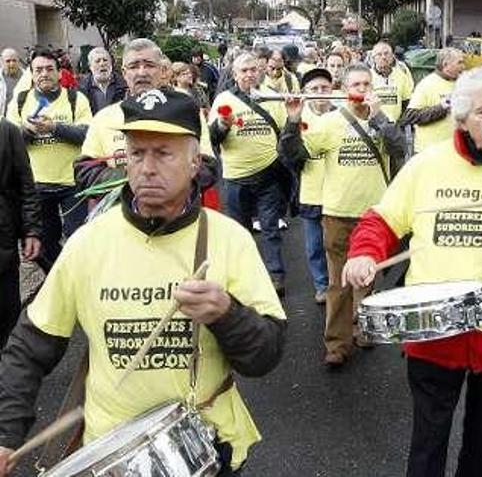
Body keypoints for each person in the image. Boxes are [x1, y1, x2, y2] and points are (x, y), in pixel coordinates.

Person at [0, 88, 287, 477]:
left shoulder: (229, 239)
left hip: (205, 445)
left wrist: (227, 314)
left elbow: (266, 355)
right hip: (111, 454)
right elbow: (29, 348)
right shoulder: (88, 242)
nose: (146, 167)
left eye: (163, 153)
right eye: (136, 153)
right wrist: (6, 436)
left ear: (194, 163)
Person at [341, 65, 482, 476]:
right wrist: (363, 253)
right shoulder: (425, 165)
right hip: (432, 331)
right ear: (461, 119)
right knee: (428, 442)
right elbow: (381, 220)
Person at [282, 63, 406, 367]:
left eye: (367, 84)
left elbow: (399, 147)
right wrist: (292, 121)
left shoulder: (382, 119)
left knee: (367, 278)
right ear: (345, 89)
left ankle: (363, 327)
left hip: (375, 216)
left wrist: (378, 117)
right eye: (356, 85)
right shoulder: (331, 122)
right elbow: (294, 155)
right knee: (339, 282)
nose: (362, 90)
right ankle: (337, 344)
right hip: (337, 213)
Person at [75, 39, 218, 194]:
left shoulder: (187, 112)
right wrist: (131, 179)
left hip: (176, 215)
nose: (141, 72)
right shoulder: (104, 118)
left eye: (149, 65)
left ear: (163, 71)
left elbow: (207, 168)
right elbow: (84, 171)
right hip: (122, 215)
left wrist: (167, 180)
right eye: (134, 66)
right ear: (124, 73)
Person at [209, 52, 294, 295]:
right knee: (239, 232)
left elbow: (286, 131)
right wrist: (223, 125)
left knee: (270, 228)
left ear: (260, 71)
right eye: (243, 71)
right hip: (236, 177)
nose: (249, 74)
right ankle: (244, 279)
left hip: (269, 173)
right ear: (234, 74)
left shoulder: (271, 96)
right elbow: (212, 138)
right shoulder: (223, 99)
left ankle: (276, 277)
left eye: (253, 69)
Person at [5, 49, 92, 270]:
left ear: (59, 73)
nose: (44, 74)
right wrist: (26, 132)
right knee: (42, 246)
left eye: (49, 69)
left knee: (79, 241)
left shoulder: (75, 98)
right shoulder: (20, 102)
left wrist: (54, 127)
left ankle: (76, 279)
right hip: (37, 186)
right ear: (32, 74)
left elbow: (87, 134)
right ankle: (59, 279)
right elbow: (7, 143)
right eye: (38, 70)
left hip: (72, 184)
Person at [287, 68, 334, 304]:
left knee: (336, 246)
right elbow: (287, 155)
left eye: (324, 88)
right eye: (314, 89)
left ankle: (341, 286)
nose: (320, 93)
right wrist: (291, 122)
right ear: (305, 92)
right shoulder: (298, 115)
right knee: (315, 245)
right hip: (310, 191)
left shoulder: (343, 113)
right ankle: (321, 285)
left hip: (339, 193)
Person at [0, 118, 40, 347]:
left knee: (6, 313)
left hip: (4, 240)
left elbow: (25, 183)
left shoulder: (8, 131)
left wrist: (32, 231)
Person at [402, 47, 465, 154]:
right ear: (446, 65)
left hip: (454, 152)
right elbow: (411, 116)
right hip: (428, 153)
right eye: (459, 62)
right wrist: (441, 108)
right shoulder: (427, 84)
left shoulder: (462, 83)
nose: (463, 66)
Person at [370, 41, 414, 123]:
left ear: (392, 56)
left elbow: (407, 102)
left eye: (386, 54)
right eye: (379, 54)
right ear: (374, 58)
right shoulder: (368, 76)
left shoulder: (401, 75)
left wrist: (402, 123)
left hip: (395, 126)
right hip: (374, 127)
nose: (383, 57)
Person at [79, 47, 127, 114]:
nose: (102, 64)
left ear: (111, 64)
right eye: (97, 61)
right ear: (90, 66)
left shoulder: (125, 85)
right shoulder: (82, 89)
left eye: (105, 60)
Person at [0, 49, 29, 113]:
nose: (12, 64)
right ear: (1, 62)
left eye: (14, 60)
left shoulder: (27, 77)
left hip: (21, 118)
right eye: (8, 61)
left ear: (18, 61)